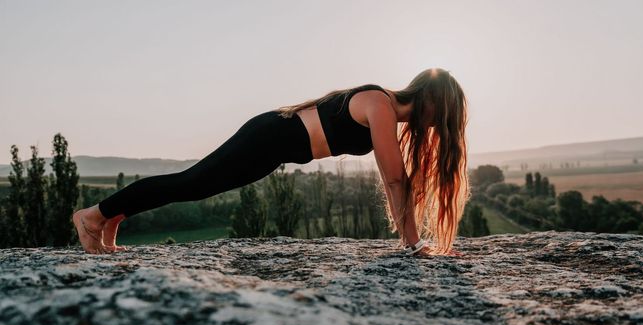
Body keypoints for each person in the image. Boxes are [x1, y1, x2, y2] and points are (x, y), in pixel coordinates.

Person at [72, 67, 471, 257]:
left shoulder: (387, 111)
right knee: (190, 183)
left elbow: (393, 181)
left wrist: (409, 241)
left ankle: (113, 217)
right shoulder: (381, 103)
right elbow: (395, 180)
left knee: (194, 186)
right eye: (445, 114)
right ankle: (94, 215)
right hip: (267, 136)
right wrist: (414, 244)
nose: (441, 124)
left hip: (275, 151)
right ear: (431, 99)